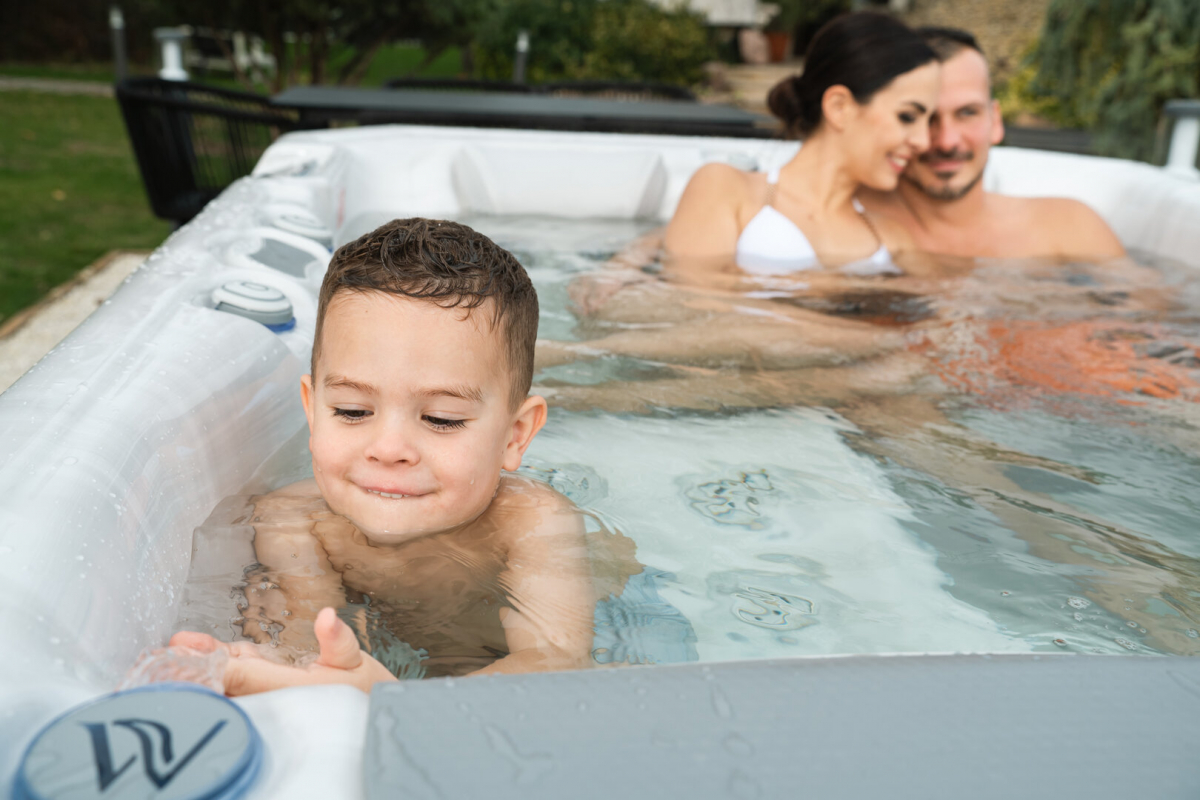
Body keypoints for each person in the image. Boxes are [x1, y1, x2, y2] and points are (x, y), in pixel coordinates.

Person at [169, 218, 644, 694]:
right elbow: (306, 644)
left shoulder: (531, 521)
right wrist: (278, 670)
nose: (389, 449)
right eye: (353, 411)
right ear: (313, 413)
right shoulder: (293, 524)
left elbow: (556, 662)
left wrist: (396, 698)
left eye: (442, 419)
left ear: (515, 436)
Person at [665, 11, 940, 276]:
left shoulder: (893, 241)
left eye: (929, 121)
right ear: (839, 107)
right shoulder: (725, 189)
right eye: (907, 116)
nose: (924, 141)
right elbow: (697, 311)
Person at [858, 26, 1126, 261]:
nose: (947, 141)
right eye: (926, 117)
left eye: (967, 113)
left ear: (995, 121)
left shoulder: (1070, 227)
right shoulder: (847, 227)